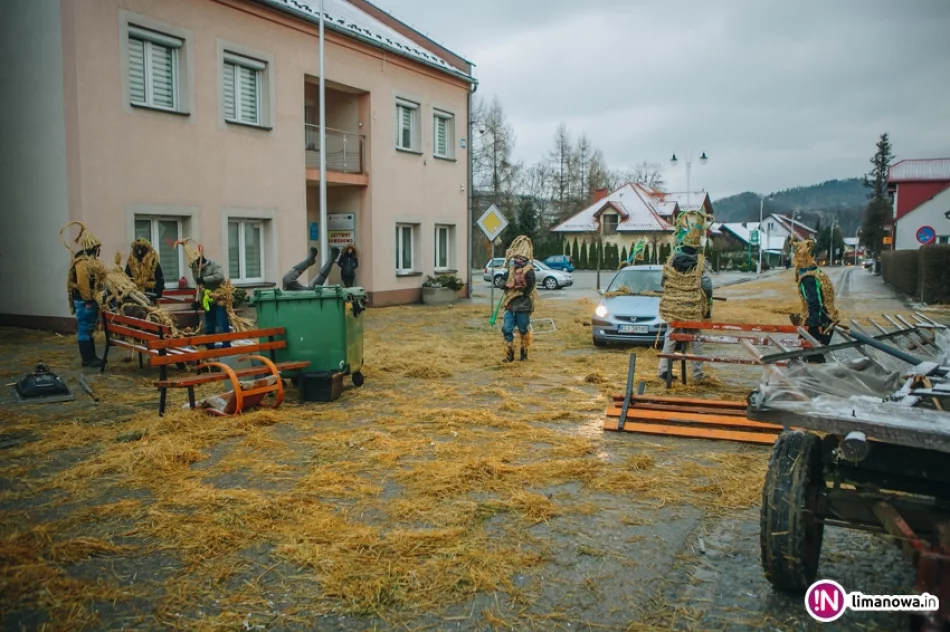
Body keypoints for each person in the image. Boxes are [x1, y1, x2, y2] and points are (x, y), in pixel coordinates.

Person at [657, 211, 714, 384]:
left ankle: (664, 369)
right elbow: (707, 285)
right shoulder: (699, 263)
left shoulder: (672, 260)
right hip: (691, 308)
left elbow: (663, 281)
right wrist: (708, 301)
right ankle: (697, 375)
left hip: (674, 307)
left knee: (670, 335)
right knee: (695, 338)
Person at [790, 239, 839, 363]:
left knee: (814, 356)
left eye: (797, 254)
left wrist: (811, 327)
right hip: (827, 319)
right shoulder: (817, 272)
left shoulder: (808, 278)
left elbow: (815, 303)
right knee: (816, 355)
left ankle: (814, 380)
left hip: (819, 322)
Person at [65, 223, 105, 368]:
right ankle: (88, 359)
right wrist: (88, 299)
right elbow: (83, 283)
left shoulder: (88, 261)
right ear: (92, 249)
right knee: (84, 328)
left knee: (89, 329)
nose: (98, 253)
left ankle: (92, 357)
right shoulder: (82, 263)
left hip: (87, 300)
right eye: (97, 250)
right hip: (84, 301)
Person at [179, 240, 231, 347]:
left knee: (222, 324)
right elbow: (199, 285)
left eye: (198, 265)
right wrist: (197, 301)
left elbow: (219, 277)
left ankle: (226, 346)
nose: (197, 268)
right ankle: (210, 347)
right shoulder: (195, 268)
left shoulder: (214, 265)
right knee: (209, 325)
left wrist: (204, 279)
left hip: (219, 299)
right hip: (208, 301)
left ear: (203, 262)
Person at [500, 236, 538, 363]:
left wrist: (518, 287)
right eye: (515, 258)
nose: (516, 261)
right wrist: (504, 284)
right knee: (506, 329)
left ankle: (524, 353)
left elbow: (529, 287)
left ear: (525, 259)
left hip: (523, 306)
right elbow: (501, 282)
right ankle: (509, 355)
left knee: (523, 329)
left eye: (519, 259)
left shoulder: (529, 271)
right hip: (510, 305)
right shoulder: (510, 271)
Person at [125, 238, 164, 303]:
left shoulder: (153, 262)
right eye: (137, 249)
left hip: (150, 294)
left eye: (141, 249)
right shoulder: (131, 264)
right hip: (135, 296)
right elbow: (126, 279)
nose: (139, 252)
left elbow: (160, 278)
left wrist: (158, 291)